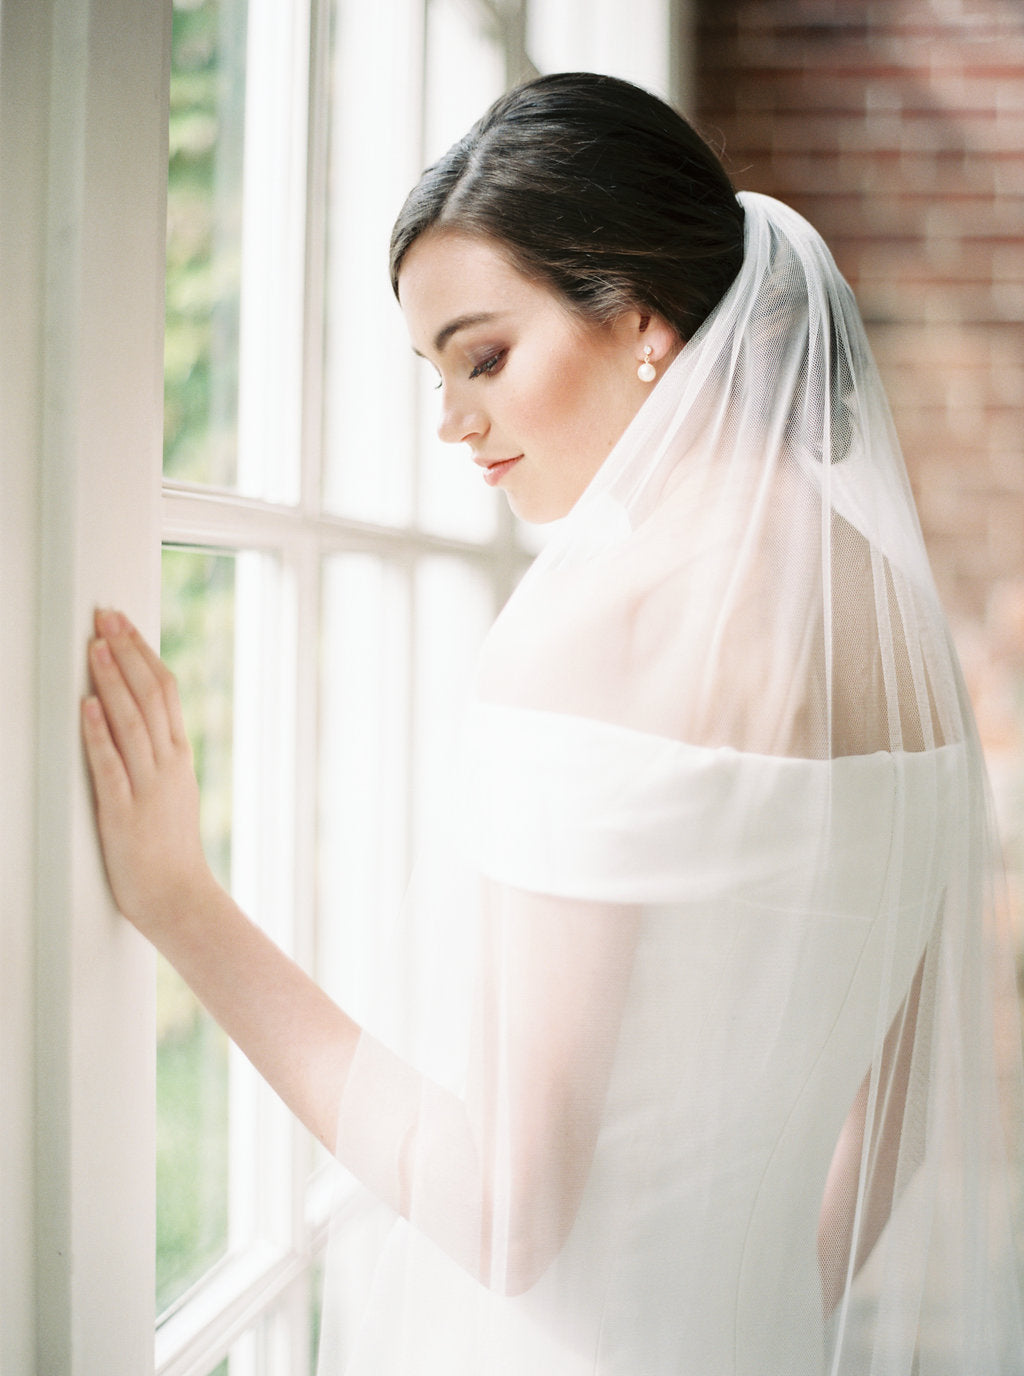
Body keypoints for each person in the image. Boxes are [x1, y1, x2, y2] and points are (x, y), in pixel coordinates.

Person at [82, 72, 1024, 1374]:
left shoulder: (590, 637)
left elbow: (511, 1220)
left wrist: (181, 901)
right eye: (433, 372)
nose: (451, 420)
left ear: (639, 314)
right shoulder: (904, 624)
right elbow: (898, 1131)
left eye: (484, 354)